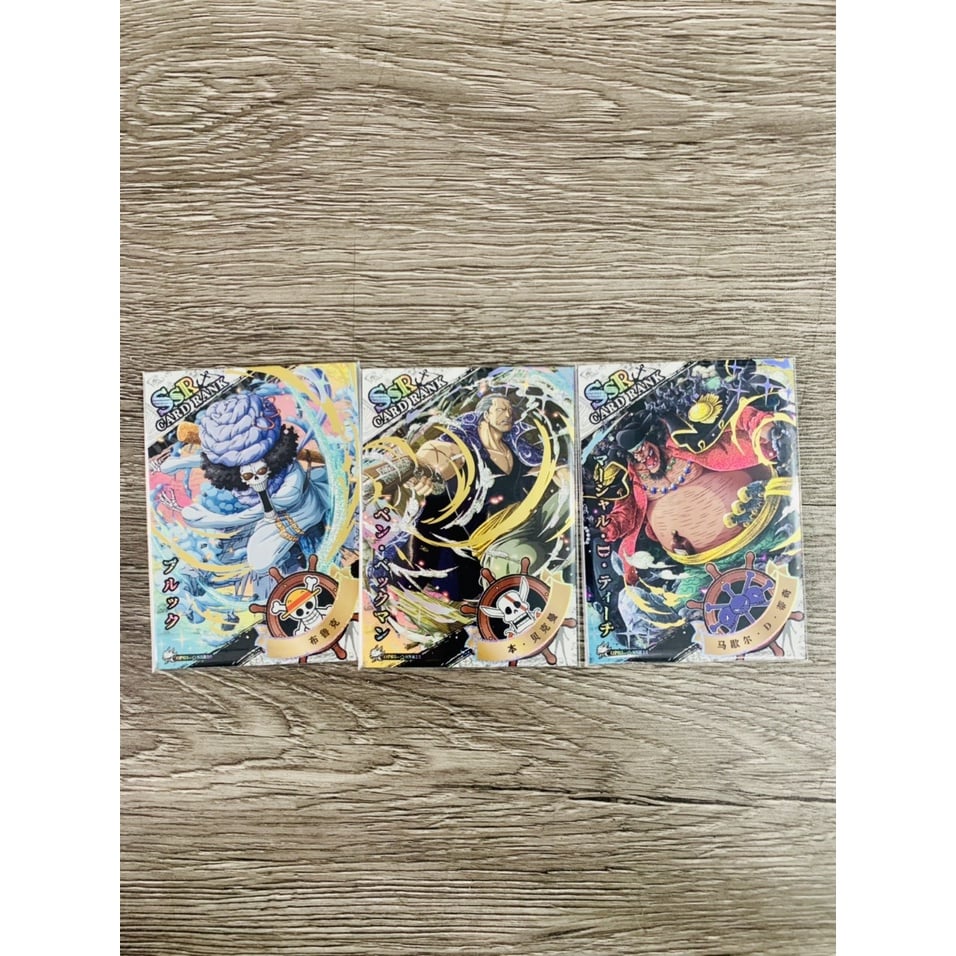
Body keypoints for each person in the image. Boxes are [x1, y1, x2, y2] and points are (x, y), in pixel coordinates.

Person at [603, 402, 784, 585]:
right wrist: (611, 527)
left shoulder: (682, 437)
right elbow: (625, 514)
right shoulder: (634, 475)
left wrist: (762, 426)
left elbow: (732, 416)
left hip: (758, 534)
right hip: (697, 567)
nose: (641, 456)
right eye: (634, 454)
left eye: (641, 447)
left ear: (651, 437)